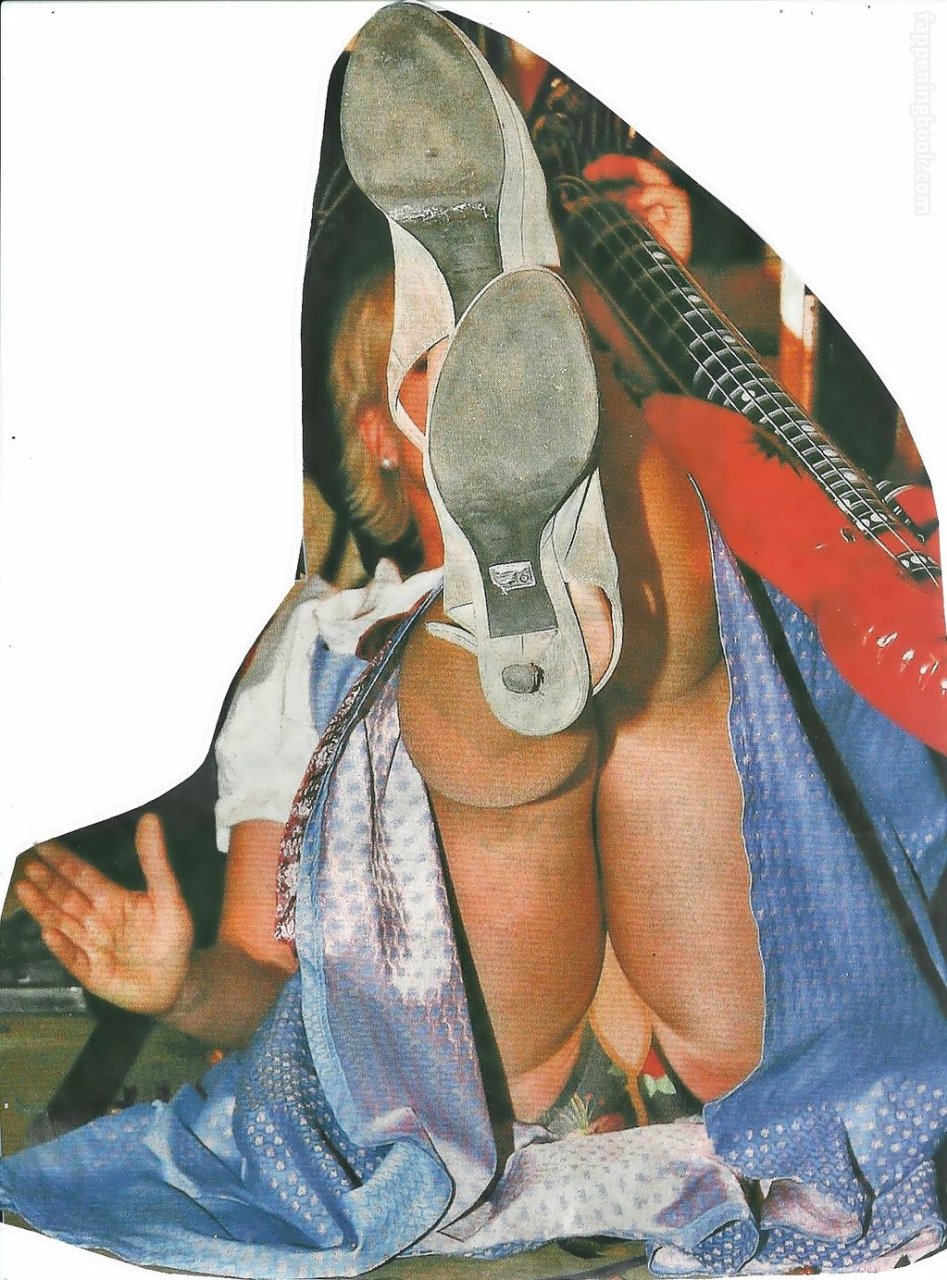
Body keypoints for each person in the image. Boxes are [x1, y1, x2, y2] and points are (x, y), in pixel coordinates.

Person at [2, 6, 946, 1277]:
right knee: (638, 707)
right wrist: (181, 986)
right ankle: (512, 567)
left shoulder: (314, 639)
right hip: (626, 1084)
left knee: (631, 693)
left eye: (531, 369)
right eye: (448, 375)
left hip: (548, 1094)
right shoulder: (316, 637)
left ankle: (522, 537)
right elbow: (267, 981)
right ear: (377, 440)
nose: (502, 390)